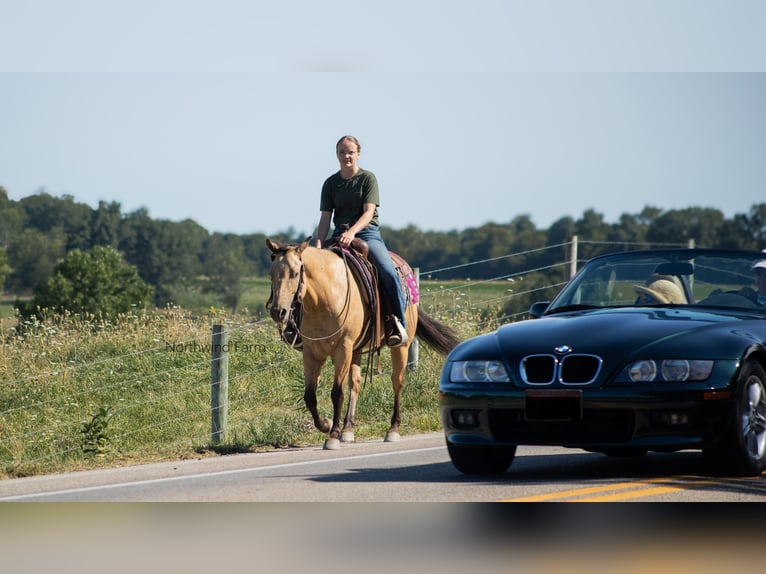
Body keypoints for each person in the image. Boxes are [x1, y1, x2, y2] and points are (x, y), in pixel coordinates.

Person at [315, 135, 409, 347]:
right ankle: (304, 328)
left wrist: (353, 232)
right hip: (339, 233)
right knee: (309, 272)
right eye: (342, 152)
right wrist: (318, 247)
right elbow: (324, 218)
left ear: (358, 154)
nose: (346, 156)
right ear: (336, 154)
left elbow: (369, 212)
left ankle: (399, 324)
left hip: (367, 233)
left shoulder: (368, 179)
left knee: (387, 271)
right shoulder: (330, 183)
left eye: (350, 152)